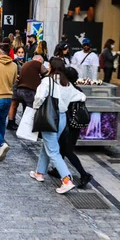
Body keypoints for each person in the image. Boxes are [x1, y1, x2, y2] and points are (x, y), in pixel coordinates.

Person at [29, 57, 86, 194]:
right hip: (62, 118)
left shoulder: (48, 81)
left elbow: (39, 98)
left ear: (51, 67)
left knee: (53, 150)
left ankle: (67, 180)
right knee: (48, 145)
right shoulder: (66, 83)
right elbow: (81, 96)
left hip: (49, 117)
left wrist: (35, 110)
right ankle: (40, 172)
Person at [48, 66, 93, 188]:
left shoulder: (68, 89)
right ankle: (57, 170)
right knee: (63, 148)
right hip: (74, 125)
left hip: (68, 125)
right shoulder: (77, 89)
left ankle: (84, 174)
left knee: (67, 150)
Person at [6, 46, 25, 130]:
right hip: (14, 85)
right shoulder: (14, 62)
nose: (21, 54)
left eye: (22, 52)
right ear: (16, 53)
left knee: (16, 104)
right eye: (19, 52)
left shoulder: (24, 62)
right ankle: (10, 121)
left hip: (21, 85)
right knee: (13, 104)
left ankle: (13, 120)